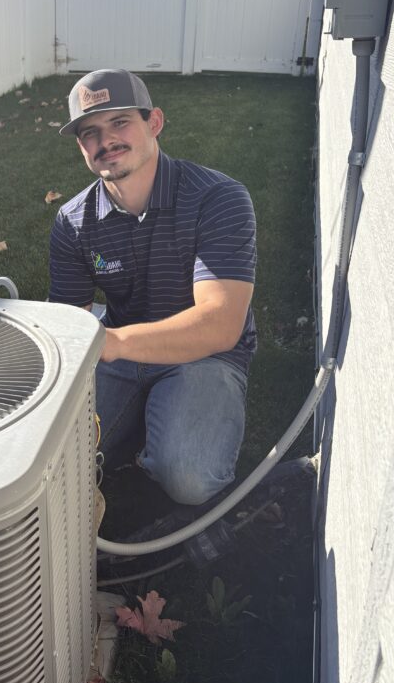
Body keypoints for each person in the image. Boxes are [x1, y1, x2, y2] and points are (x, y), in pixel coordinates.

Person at [49, 69, 256, 507]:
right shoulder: (73, 221)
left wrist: (115, 341)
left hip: (204, 356)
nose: (106, 140)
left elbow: (220, 325)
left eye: (120, 122)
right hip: (119, 355)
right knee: (52, 461)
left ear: (154, 122)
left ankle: (162, 432)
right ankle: (147, 423)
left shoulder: (218, 198)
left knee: (190, 478)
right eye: (91, 132)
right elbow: (68, 321)